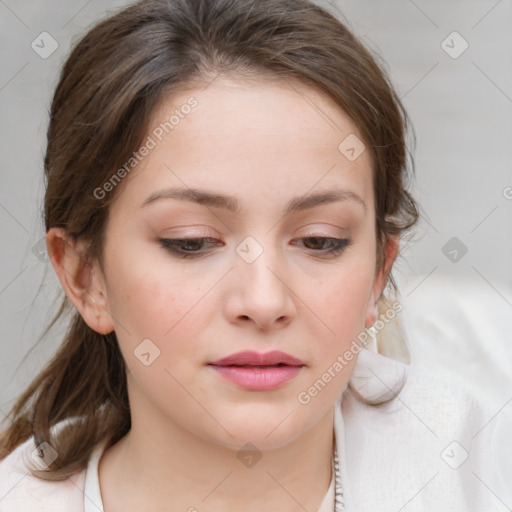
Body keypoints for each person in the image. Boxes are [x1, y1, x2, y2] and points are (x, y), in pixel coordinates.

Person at [0, 0, 502, 510]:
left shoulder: (480, 469)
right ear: (85, 276)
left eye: (320, 240)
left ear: (379, 272)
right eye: (191, 242)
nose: (263, 302)